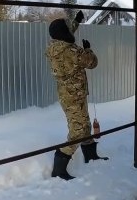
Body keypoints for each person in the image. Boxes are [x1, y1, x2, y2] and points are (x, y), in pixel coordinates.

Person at [45, 10, 108, 180]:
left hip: (69, 94)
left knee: (84, 125)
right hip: (75, 95)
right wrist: (88, 49)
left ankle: (90, 156)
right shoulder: (72, 51)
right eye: (67, 28)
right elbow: (92, 62)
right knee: (77, 131)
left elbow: (67, 32)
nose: (69, 30)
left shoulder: (55, 46)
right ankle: (59, 167)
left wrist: (76, 21)